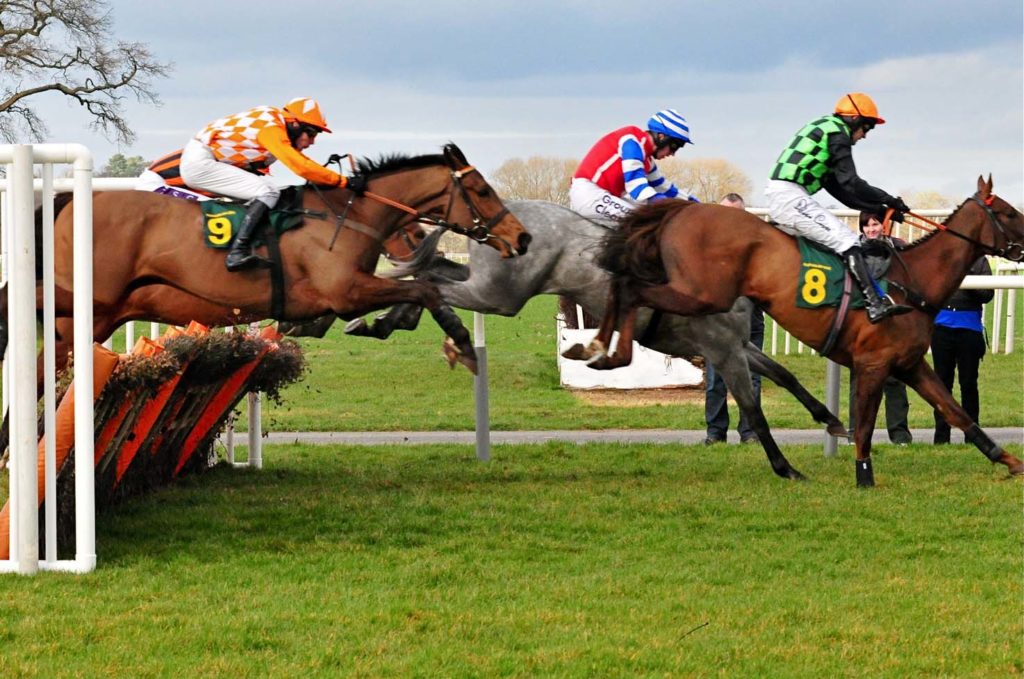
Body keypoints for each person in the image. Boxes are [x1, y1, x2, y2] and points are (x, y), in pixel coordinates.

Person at [140, 97, 358, 271]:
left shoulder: (272, 130)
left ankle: (242, 250)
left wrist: (328, 176)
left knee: (265, 195)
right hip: (167, 180)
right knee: (267, 192)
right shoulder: (271, 129)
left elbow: (302, 163)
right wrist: (342, 181)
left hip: (199, 164)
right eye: (310, 133)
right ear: (293, 124)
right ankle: (237, 253)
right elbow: (300, 166)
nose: (312, 142)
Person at [765, 92, 913, 323]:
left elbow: (843, 192)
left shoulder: (826, 131)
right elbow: (852, 182)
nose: (864, 135)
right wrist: (889, 199)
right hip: (789, 195)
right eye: (866, 128)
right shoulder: (838, 133)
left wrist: (881, 210)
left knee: (840, 241)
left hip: (787, 193)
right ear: (854, 118)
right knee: (848, 241)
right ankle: (874, 304)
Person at [846, 210, 913, 444]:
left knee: (895, 380)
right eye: (867, 225)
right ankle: (855, 433)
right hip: (863, 324)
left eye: (875, 224)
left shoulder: (898, 248)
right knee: (859, 381)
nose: (871, 229)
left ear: (884, 225)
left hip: (892, 325)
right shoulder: (853, 250)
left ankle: (900, 434)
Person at [703, 193, 764, 445]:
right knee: (715, 380)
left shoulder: (756, 244)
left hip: (749, 320)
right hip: (716, 322)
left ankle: (750, 432)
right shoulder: (707, 246)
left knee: (751, 379)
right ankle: (715, 433)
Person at [569, 108, 698, 220]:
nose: (672, 154)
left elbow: (663, 187)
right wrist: (663, 203)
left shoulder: (647, 159)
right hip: (588, 194)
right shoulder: (632, 142)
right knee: (641, 222)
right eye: (674, 147)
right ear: (661, 137)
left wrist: (691, 202)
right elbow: (636, 187)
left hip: (604, 195)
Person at [931, 255, 993, 444]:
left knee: (968, 384)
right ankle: (941, 438)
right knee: (942, 385)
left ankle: (973, 437)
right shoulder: (941, 256)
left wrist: (966, 278)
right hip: (941, 329)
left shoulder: (980, 261)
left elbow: (987, 295)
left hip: (969, 329)